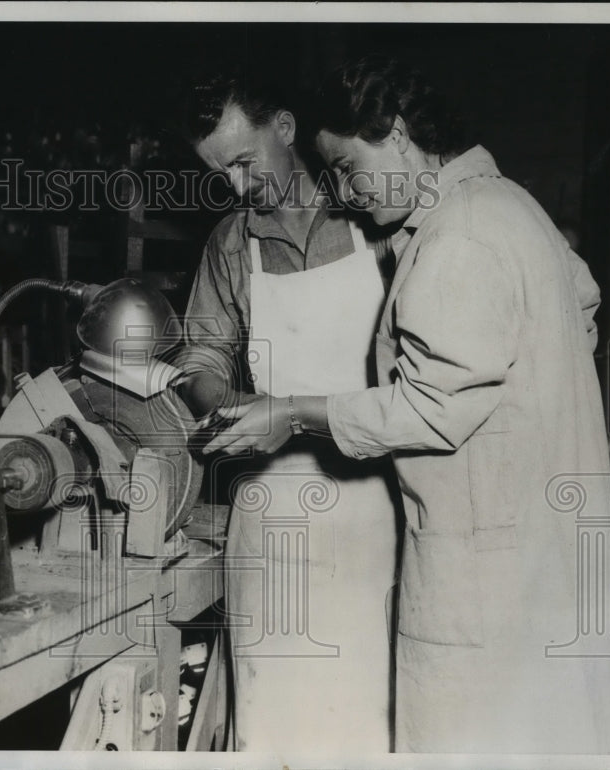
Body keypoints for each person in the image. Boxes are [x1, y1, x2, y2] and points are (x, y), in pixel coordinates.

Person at [205, 54, 610, 754]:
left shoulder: (457, 232)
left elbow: (431, 409)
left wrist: (292, 412)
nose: (344, 189)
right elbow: (581, 302)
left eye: (347, 167)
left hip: (485, 583)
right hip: (537, 556)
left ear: (398, 133)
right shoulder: (507, 204)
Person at [175, 71, 401, 752]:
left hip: (373, 506)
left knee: (361, 723)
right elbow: (199, 362)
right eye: (222, 173)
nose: (239, 186)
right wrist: (232, 405)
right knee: (270, 727)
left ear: (285, 127)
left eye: (245, 163)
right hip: (270, 512)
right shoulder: (231, 244)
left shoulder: (372, 221)